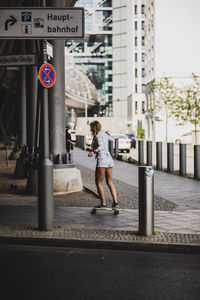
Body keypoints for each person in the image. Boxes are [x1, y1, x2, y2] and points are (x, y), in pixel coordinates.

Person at [88, 121, 118, 208]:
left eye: (91, 127)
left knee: (99, 183)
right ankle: (115, 201)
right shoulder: (104, 134)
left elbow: (101, 147)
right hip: (109, 160)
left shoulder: (98, 135)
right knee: (109, 182)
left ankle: (103, 203)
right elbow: (112, 139)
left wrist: (93, 152)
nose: (90, 129)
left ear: (93, 128)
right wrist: (108, 134)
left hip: (102, 159)